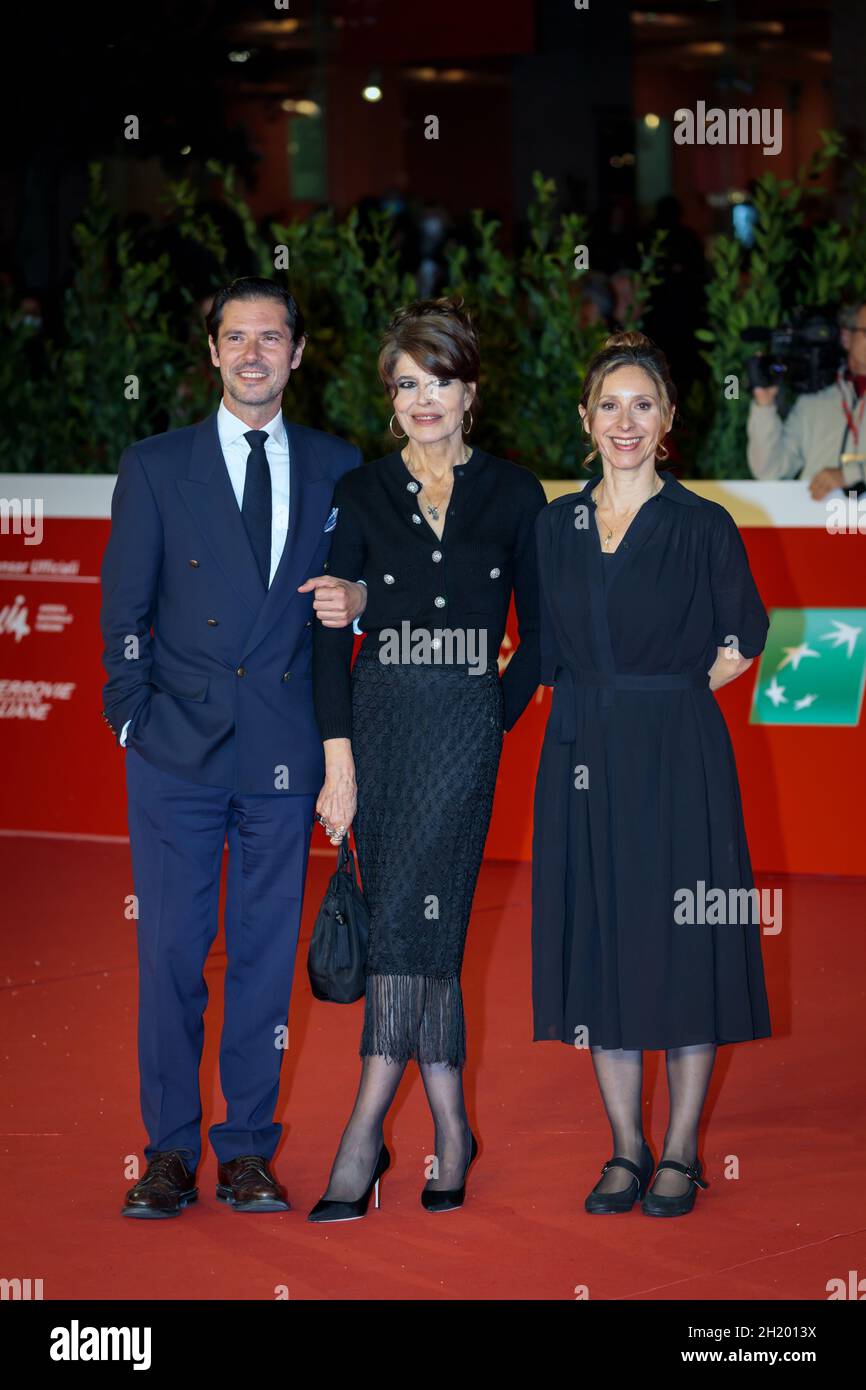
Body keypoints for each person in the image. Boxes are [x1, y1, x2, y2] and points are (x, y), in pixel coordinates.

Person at [100, 277, 367, 1218]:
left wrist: (363, 602)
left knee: (263, 957)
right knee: (171, 953)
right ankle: (168, 1151)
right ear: (212, 354)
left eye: (272, 337)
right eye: (235, 338)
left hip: (283, 751)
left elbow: (358, 597)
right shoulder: (156, 464)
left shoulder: (340, 465)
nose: (253, 353)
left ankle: (247, 1148)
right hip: (175, 749)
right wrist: (131, 716)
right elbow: (124, 612)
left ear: (299, 354)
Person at [308, 296, 547, 1221]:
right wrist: (338, 761)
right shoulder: (360, 493)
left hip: (461, 729)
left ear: (469, 390)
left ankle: (362, 1132)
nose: (422, 399)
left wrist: (495, 714)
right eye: (406, 384)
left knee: (411, 923)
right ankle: (451, 1131)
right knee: (423, 937)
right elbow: (332, 635)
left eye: (438, 381)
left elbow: (542, 637)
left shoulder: (515, 493)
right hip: (380, 723)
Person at [532, 331, 772, 1217]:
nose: (624, 421)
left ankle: (679, 1151)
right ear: (585, 418)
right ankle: (625, 1148)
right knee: (601, 938)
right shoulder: (553, 526)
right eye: (609, 405)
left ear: (668, 419)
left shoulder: (704, 524)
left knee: (686, 945)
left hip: (678, 754)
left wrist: (665, 695)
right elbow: (542, 651)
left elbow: (742, 641)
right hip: (580, 750)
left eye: (643, 404)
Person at [748, 300, 866, 500]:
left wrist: (851, 475)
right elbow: (769, 470)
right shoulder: (815, 398)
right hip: (816, 526)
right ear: (846, 337)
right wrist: (764, 406)